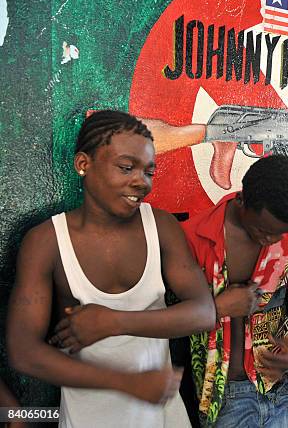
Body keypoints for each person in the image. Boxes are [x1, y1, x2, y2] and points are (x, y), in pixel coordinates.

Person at [7, 110, 217, 428]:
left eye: (149, 171)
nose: (141, 182)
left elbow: (203, 313)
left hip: (162, 419)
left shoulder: (160, 226)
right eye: (126, 167)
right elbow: (24, 350)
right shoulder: (47, 242)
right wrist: (126, 382)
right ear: (83, 164)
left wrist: (113, 322)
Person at [180, 154, 288, 427]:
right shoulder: (194, 236)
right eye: (263, 230)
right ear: (242, 200)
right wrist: (219, 306)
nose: (272, 240)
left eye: (281, 233)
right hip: (224, 396)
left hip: (281, 386)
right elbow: (173, 314)